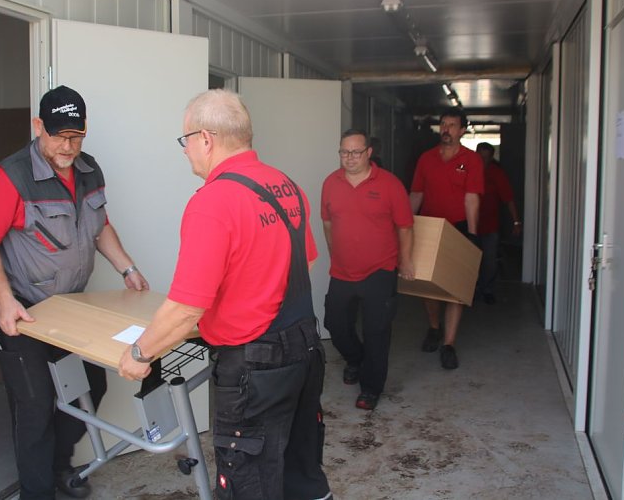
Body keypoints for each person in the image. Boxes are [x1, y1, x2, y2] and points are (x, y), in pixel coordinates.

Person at [117, 89, 331, 500]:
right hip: (305, 352)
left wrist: (140, 354)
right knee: (302, 472)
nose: (186, 152)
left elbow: (185, 308)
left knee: (248, 483)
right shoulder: (286, 186)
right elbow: (301, 265)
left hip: (253, 370)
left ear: (206, 139)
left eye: (185, 141)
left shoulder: (212, 202)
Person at [0, 85, 149, 500]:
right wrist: (4, 300)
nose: (68, 146)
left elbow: (100, 225)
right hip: (26, 312)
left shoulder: (89, 170)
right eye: (59, 136)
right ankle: (38, 492)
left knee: (91, 388)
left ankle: (57, 466)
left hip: (71, 308)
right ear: (39, 127)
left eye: (76, 136)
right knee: (34, 409)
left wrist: (128, 267)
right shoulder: (10, 176)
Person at [320, 129, 415, 410]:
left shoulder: (389, 184)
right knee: (335, 325)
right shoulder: (331, 183)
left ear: (369, 152)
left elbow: (405, 226)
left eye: (355, 152)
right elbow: (327, 224)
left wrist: (406, 261)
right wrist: (333, 253)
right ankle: (355, 358)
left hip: (380, 270)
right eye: (344, 152)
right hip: (342, 271)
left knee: (377, 331)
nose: (349, 158)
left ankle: (370, 388)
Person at [409, 110, 484, 370]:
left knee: (455, 290)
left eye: (452, 125)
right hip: (429, 227)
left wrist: (473, 235)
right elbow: (416, 194)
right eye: (443, 124)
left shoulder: (471, 160)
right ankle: (433, 327)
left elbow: (472, 198)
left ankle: (449, 344)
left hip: (458, 229)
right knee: (428, 285)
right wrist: (406, 227)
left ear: (463, 130)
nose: (447, 129)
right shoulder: (426, 159)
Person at [475, 142, 521, 304]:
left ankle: (487, 290)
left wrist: (516, 222)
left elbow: (508, 199)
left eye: (486, 158)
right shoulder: (465, 170)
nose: (482, 161)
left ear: (491, 157)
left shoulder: (497, 174)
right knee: (469, 260)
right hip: (467, 226)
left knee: (489, 260)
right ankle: (470, 290)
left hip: (489, 226)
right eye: (479, 157)